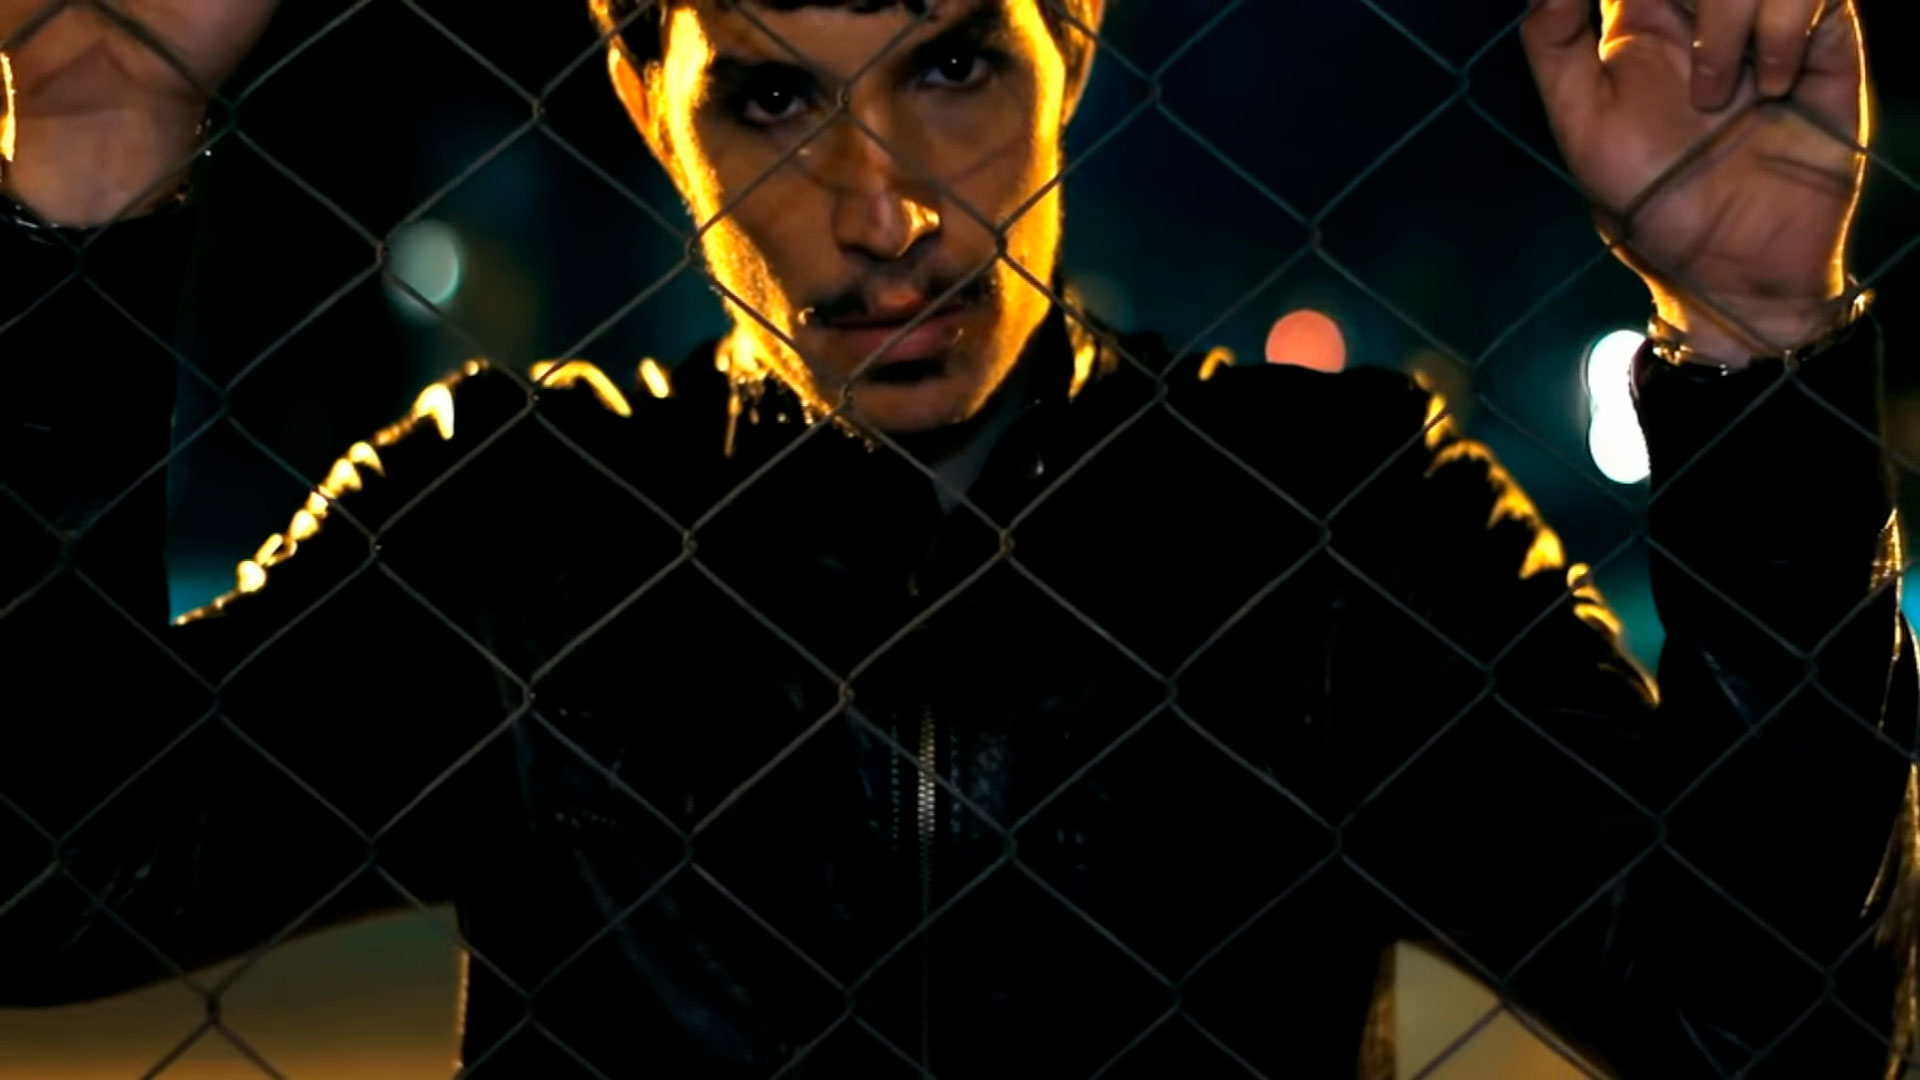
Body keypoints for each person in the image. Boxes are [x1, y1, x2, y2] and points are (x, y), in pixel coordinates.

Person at [0, 0, 1912, 1075]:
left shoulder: (1325, 520)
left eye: (948, 64)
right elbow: (51, 886)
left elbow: (1766, 1024)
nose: (884, 207)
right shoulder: (516, 520)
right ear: (647, 104)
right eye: (770, 97)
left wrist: (1755, 340)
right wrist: (85, 181)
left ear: (1075, 38)